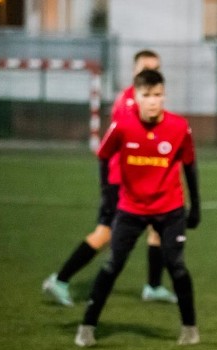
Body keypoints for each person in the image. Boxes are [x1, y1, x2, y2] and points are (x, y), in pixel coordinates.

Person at [74, 69, 201, 347]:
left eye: (158, 95)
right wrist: (108, 198)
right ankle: (87, 326)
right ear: (136, 96)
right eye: (147, 95)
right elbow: (104, 156)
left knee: (176, 266)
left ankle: (190, 328)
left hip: (169, 208)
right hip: (131, 208)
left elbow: (190, 166)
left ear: (164, 95)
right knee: (112, 265)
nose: (153, 101)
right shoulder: (122, 126)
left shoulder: (179, 127)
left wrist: (195, 208)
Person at [42, 49, 176, 307]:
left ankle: (154, 286)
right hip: (121, 181)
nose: (151, 72)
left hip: (140, 180)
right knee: (104, 235)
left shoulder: (147, 101)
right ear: (135, 71)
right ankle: (59, 279)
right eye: (145, 67)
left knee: (158, 228)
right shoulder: (129, 102)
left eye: (156, 67)